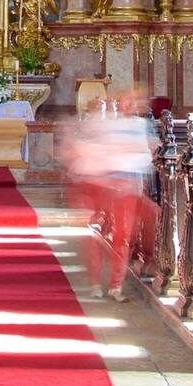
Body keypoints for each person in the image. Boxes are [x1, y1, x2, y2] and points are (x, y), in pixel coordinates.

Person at [60, 90, 158, 302]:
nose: (130, 104)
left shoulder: (140, 126)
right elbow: (89, 151)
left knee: (123, 236)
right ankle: (96, 282)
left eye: (135, 100)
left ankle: (116, 285)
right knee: (93, 234)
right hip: (100, 186)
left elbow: (145, 155)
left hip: (125, 188)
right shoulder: (107, 124)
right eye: (127, 100)